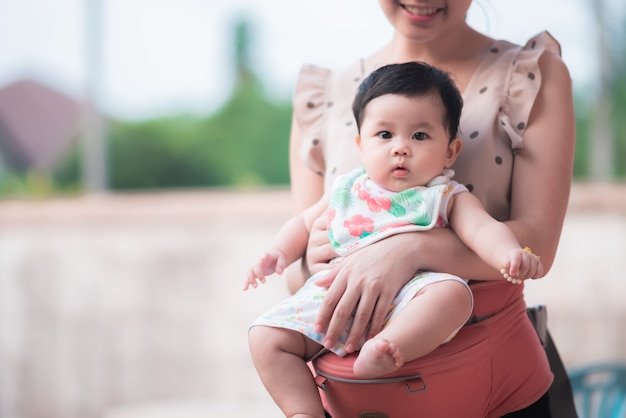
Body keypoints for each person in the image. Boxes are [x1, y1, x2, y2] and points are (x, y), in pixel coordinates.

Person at [285, 1, 576, 417]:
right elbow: (297, 272)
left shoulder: (527, 74)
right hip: (365, 399)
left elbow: (538, 248)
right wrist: (311, 263)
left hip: (495, 385)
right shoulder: (325, 93)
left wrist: (409, 250)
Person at [245, 61, 544, 418]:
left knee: (451, 295)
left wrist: (508, 252)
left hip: (413, 294)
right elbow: (304, 223)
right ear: (361, 144)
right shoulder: (346, 188)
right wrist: (277, 252)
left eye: (419, 136)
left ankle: (390, 345)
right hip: (338, 294)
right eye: (384, 135)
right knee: (264, 337)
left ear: (450, 151)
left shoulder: (444, 195)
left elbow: (483, 229)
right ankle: (303, 411)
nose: (400, 148)